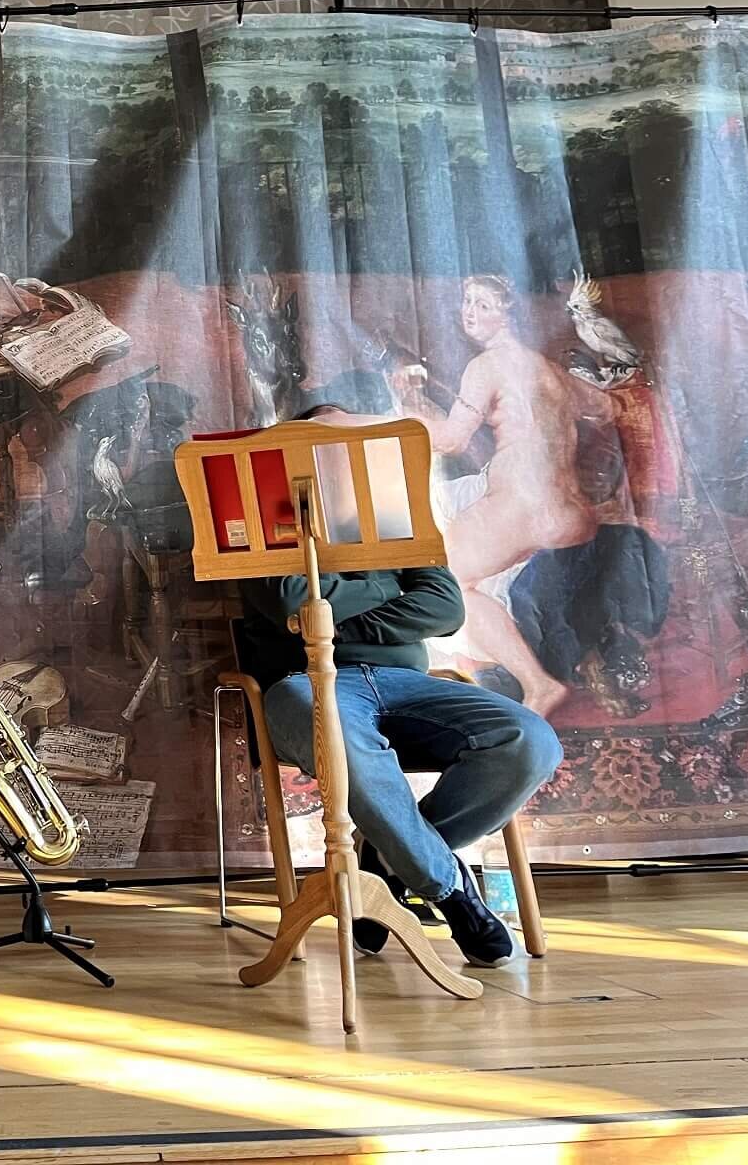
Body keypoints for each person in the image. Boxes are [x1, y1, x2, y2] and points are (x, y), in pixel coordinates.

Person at [236, 406, 563, 968]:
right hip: (305, 684)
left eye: (359, 446)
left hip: (408, 686)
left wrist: (335, 621)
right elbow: (292, 601)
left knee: (529, 740)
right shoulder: (262, 522)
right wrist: (390, 591)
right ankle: (450, 892)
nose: (351, 457)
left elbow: (445, 607)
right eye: (332, 447)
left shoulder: (396, 516)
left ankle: (386, 864)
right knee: (333, 728)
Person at [394, 274, 615, 713]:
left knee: (440, 578)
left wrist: (399, 416)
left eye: (483, 304)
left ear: (508, 313)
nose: (470, 312)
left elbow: (451, 440)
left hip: (524, 507)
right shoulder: (547, 369)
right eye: (466, 302)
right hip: (572, 511)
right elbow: (606, 406)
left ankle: (536, 684)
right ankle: (498, 671)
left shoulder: (486, 366)